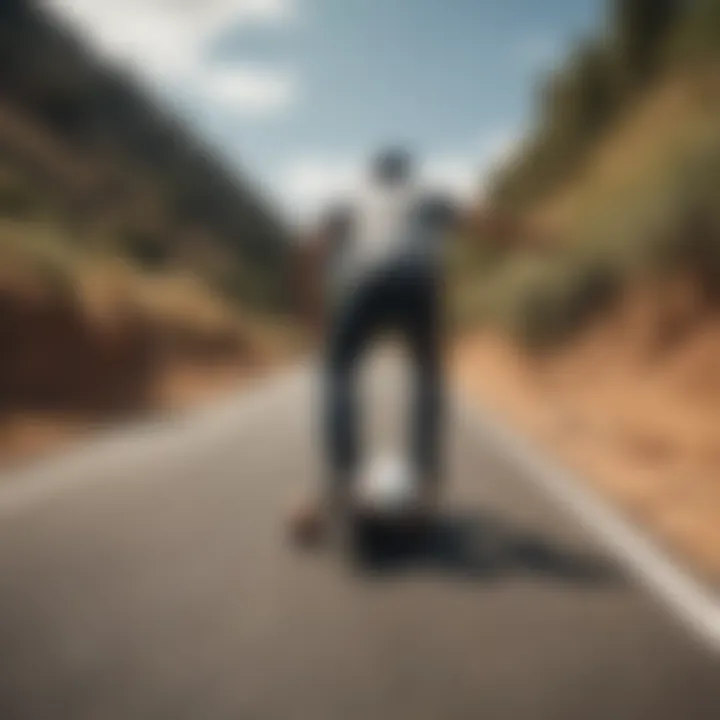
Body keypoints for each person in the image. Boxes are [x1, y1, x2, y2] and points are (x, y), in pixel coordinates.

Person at [290, 148, 459, 545]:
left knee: (337, 372)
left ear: (373, 175)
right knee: (428, 377)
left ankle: (342, 477)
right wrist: (531, 233)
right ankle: (427, 477)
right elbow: (482, 222)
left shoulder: (354, 196)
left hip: (369, 282)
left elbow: (314, 246)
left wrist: (313, 312)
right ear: (407, 174)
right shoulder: (425, 194)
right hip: (419, 284)